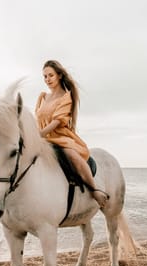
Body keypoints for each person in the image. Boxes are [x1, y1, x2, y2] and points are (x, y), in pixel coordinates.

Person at [35, 60, 109, 208]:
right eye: (44, 76)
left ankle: (94, 190)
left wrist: (41, 134)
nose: (47, 79)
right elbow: (37, 118)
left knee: (72, 155)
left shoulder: (66, 97)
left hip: (59, 137)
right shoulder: (42, 97)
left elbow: (57, 121)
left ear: (60, 75)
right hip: (41, 138)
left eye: (51, 75)